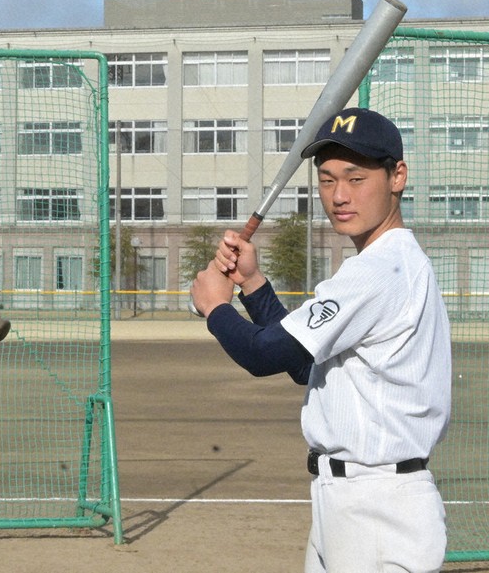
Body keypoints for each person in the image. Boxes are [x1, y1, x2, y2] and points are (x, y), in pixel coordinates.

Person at [191, 108, 451, 572]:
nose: (339, 195)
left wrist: (217, 308)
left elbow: (263, 354)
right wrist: (253, 286)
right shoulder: (391, 264)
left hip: (378, 507)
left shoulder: (380, 270)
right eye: (327, 180)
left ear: (398, 177)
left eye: (356, 177)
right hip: (352, 501)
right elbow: (305, 368)